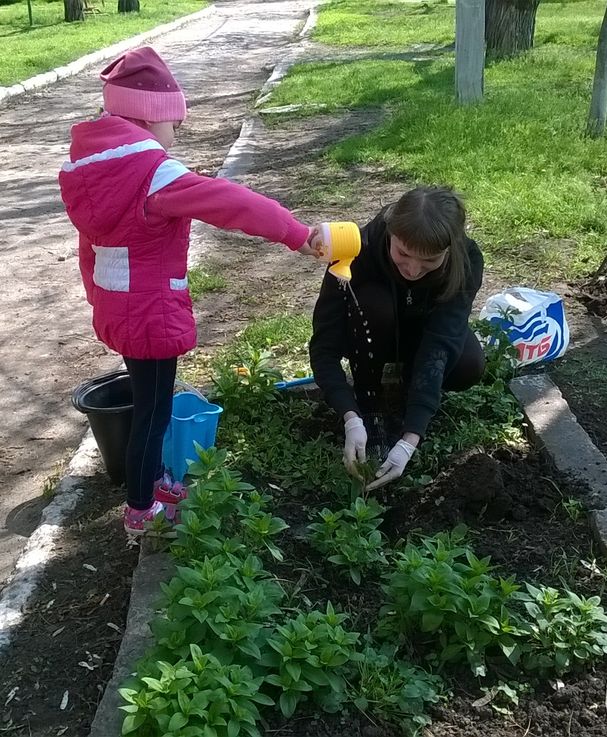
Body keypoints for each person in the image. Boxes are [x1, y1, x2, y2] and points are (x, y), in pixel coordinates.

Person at [59, 47, 316, 536]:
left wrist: (99, 301)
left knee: (149, 403)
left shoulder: (96, 177)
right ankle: (141, 510)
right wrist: (297, 234)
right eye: (174, 123)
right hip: (152, 312)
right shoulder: (153, 176)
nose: (176, 133)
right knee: (152, 416)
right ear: (150, 119)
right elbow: (230, 201)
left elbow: (87, 249)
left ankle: (153, 479)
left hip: (121, 306)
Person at [309, 187, 486, 491]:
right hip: (365, 334)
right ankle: (371, 404)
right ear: (391, 233)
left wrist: (411, 436)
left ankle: (405, 395)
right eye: (403, 253)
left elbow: (441, 342)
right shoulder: (356, 250)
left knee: (469, 364)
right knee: (376, 306)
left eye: (430, 260)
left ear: (450, 247)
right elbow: (323, 344)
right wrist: (349, 416)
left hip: (420, 337)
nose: (413, 269)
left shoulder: (466, 260)